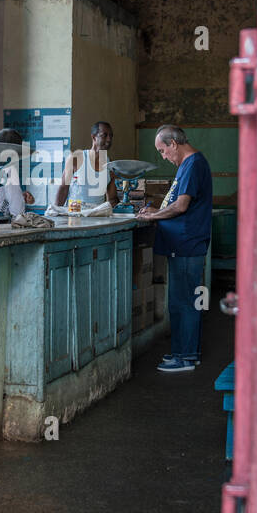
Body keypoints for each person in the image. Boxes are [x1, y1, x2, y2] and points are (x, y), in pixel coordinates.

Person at [135, 124, 212, 372]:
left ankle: (186, 357)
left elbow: (180, 207)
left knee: (185, 301)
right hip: (183, 243)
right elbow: (175, 204)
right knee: (180, 301)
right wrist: (157, 211)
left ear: (173, 144)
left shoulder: (193, 164)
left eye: (162, 151)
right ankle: (183, 352)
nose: (163, 156)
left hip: (187, 243)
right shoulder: (186, 166)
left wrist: (152, 218)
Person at [54, 121, 120, 209]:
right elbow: (63, 189)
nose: (109, 139)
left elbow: (112, 199)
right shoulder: (76, 158)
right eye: (104, 135)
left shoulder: (110, 164)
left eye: (111, 136)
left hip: (97, 218)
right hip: (75, 216)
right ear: (94, 137)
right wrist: (55, 212)